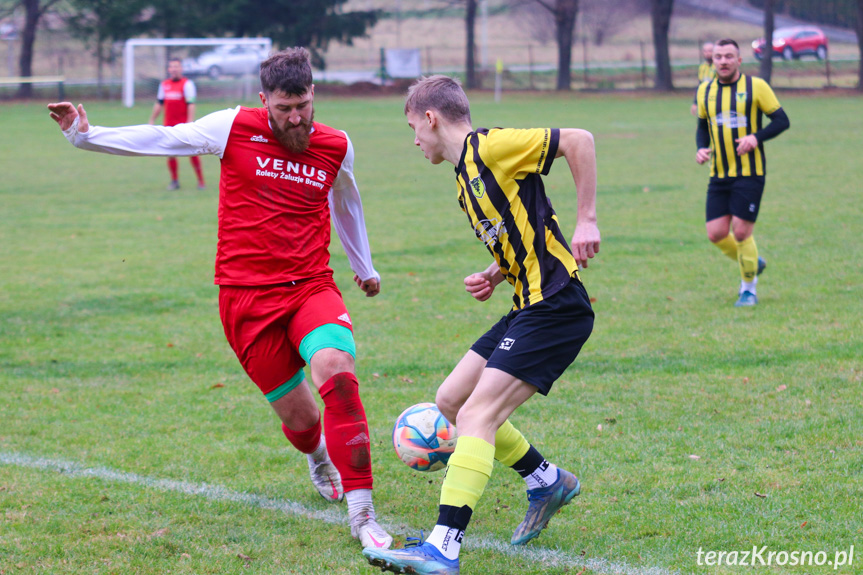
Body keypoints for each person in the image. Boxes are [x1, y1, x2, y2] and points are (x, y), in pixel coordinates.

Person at [48, 47, 393, 550]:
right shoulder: (231, 127)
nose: (294, 118)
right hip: (245, 299)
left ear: (312, 95)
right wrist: (85, 135)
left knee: (338, 374)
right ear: (263, 101)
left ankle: (363, 515)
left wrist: (364, 267)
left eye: (302, 106)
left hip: (310, 287)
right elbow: (164, 139)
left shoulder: (337, 145)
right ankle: (317, 455)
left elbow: (346, 200)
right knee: (301, 422)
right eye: (283, 109)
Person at [363, 75, 599, 575]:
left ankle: (443, 545)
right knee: (450, 400)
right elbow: (525, 223)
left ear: (431, 118)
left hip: (556, 305)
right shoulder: (463, 176)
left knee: (476, 418)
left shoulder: (489, 147)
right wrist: (495, 273)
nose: (414, 141)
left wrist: (588, 219)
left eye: (413, 128)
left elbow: (579, 140)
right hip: (526, 301)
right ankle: (546, 480)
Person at [695, 38, 790, 307]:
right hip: (719, 174)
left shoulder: (756, 86)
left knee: (740, 233)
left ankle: (748, 289)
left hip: (750, 172)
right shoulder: (705, 90)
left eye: (728, 56)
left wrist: (756, 138)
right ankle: (752, 261)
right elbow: (703, 126)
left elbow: (782, 120)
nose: (723, 61)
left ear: (739, 60)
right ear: (712, 60)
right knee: (715, 234)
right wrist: (702, 148)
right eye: (718, 56)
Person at [148, 57, 206, 190]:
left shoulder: (187, 84)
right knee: (170, 153)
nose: (174, 69)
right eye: (171, 67)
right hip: (169, 126)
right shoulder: (164, 85)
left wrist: (190, 122)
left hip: (184, 126)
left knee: (193, 152)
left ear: (181, 69)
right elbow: (159, 103)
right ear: (169, 69)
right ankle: (174, 181)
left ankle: (200, 181)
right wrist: (152, 119)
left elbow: (191, 104)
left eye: (176, 66)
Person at [690, 42, 716, 116]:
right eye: (705, 51)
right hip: (704, 100)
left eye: (710, 51)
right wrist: (695, 103)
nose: (707, 53)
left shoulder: (719, 66)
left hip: (716, 100)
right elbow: (700, 85)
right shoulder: (702, 67)